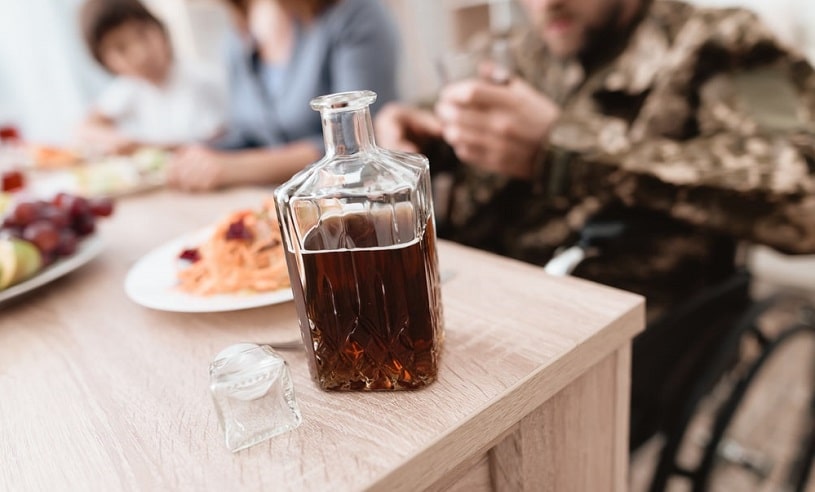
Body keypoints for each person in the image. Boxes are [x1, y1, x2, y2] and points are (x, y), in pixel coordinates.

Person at [375, 0, 815, 449]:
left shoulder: (717, 43)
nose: (545, 4)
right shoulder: (517, 50)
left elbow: (805, 205)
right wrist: (405, 128)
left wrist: (565, 150)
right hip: (473, 313)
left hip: (611, 344)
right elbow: (430, 111)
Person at [165, 0, 399, 192]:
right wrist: (200, 153)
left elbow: (356, 143)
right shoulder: (238, 35)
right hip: (273, 206)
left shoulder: (352, 13)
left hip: (356, 202)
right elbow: (247, 132)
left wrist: (233, 168)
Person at [77, 0, 226, 154]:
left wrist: (139, 147)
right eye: (121, 48)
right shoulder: (131, 86)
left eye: (142, 34)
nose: (140, 54)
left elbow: (214, 146)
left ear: (159, 28)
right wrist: (117, 140)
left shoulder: (201, 80)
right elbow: (85, 128)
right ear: (104, 61)